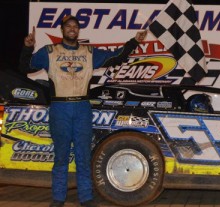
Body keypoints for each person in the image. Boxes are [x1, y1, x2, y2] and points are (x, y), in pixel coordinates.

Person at [19, 15, 147, 207]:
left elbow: (117, 57)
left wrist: (134, 41)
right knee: (61, 156)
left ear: (78, 31)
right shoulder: (49, 51)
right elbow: (24, 67)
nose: (72, 29)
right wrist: (27, 48)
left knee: (83, 155)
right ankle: (58, 199)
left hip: (82, 107)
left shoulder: (89, 52)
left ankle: (86, 198)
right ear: (62, 30)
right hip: (59, 108)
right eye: (68, 26)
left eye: (75, 26)